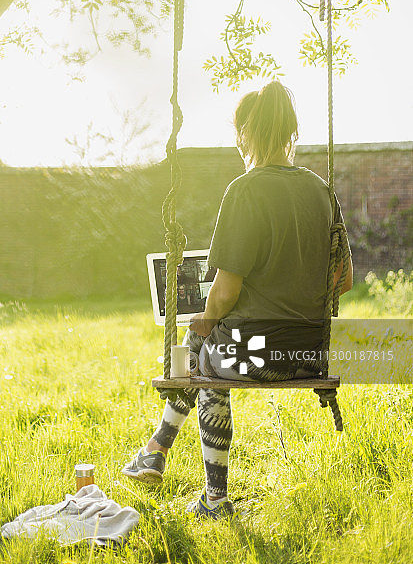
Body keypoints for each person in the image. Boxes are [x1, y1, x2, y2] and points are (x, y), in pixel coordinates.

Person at [121, 81, 353, 518]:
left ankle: (213, 498)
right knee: (206, 348)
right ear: (291, 132)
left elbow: (225, 292)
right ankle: (155, 450)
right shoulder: (323, 192)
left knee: (205, 364)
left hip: (257, 354)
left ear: (245, 133)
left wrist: (207, 319)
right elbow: (343, 280)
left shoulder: (244, 190)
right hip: (309, 353)